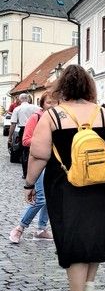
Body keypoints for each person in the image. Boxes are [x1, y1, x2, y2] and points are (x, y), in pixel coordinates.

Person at [25, 64, 105, 291]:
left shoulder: (53, 116)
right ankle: (88, 287)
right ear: (88, 87)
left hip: (65, 185)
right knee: (96, 231)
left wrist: (29, 183)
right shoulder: (104, 115)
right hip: (103, 182)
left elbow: (38, 155)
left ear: (62, 88)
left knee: (73, 234)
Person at [9, 92, 57, 244]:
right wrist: (46, 141)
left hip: (55, 162)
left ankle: (41, 229)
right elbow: (26, 140)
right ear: (42, 104)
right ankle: (19, 228)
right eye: (49, 102)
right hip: (39, 161)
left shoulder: (59, 119)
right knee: (41, 198)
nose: (53, 105)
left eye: (55, 102)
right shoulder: (36, 117)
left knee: (50, 196)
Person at [8, 93, 39, 178]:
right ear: (28, 99)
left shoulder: (17, 109)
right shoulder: (36, 107)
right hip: (35, 129)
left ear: (20, 100)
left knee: (24, 152)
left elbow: (13, 124)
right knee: (36, 150)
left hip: (23, 130)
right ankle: (36, 172)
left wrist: (10, 137)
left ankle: (26, 174)